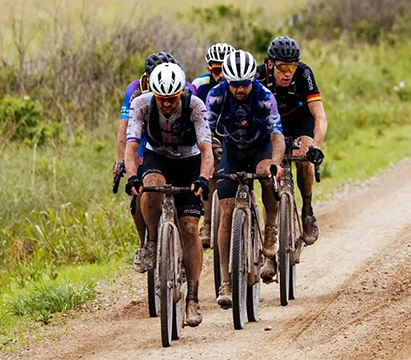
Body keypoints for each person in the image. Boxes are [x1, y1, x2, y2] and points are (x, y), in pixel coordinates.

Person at [124, 63, 213, 327]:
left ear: (181, 94)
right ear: (153, 93)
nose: (165, 104)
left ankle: (193, 299)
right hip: (158, 156)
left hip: (189, 161)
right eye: (161, 99)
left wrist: (203, 179)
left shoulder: (195, 106)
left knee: (189, 228)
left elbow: (206, 150)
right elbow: (131, 147)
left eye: (171, 99)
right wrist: (131, 176)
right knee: (150, 185)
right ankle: (152, 241)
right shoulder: (141, 104)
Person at [206, 50, 286, 308]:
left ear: (253, 79)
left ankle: (270, 228)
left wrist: (275, 163)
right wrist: (209, 159)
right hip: (232, 150)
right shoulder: (216, 95)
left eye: (245, 84)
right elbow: (204, 134)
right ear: (226, 81)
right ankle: (226, 280)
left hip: (260, 148)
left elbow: (277, 135)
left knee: (265, 174)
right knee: (227, 211)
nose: (240, 89)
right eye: (235, 84)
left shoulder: (265, 96)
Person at [117, 52, 197, 270]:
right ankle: (145, 244)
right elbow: (125, 129)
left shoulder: (188, 89)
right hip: (146, 136)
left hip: (179, 143)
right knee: (140, 190)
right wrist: (122, 160)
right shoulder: (135, 90)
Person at [257, 36, 326, 247]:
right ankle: (270, 228)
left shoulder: (304, 74)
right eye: (282, 67)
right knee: (266, 172)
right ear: (271, 64)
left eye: (292, 67)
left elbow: (320, 116)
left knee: (304, 157)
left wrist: (316, 146)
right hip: (270, 124)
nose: (288, 73)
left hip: (299, 120)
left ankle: (307, 209)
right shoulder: (258, 75)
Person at [192, 43, 236, 248]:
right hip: (210, 132)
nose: (221, 75)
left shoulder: (240, 83)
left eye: (224, 70)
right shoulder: (200, 85)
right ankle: (208, 224)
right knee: (209, 168)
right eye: (216, 70)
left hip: (237, 134)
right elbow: (197, 122)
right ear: (210, 69)